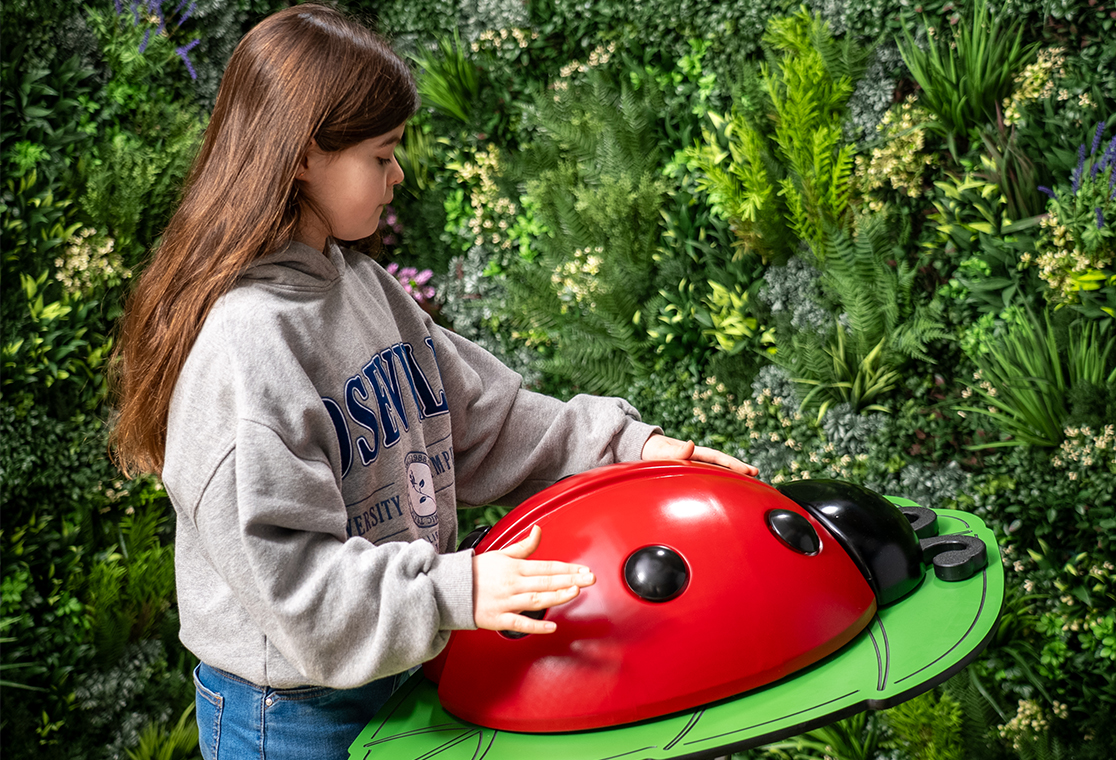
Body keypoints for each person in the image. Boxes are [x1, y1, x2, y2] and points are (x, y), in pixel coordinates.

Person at [110, 4, 757, 758]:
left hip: (400, 665)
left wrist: (632, 448)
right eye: (380, 155)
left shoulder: (360, 287)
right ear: (301, 157)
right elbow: (296, 584)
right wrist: (461, 591)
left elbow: (484, 420)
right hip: (294, 716)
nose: (399, 174)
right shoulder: (243, 347)